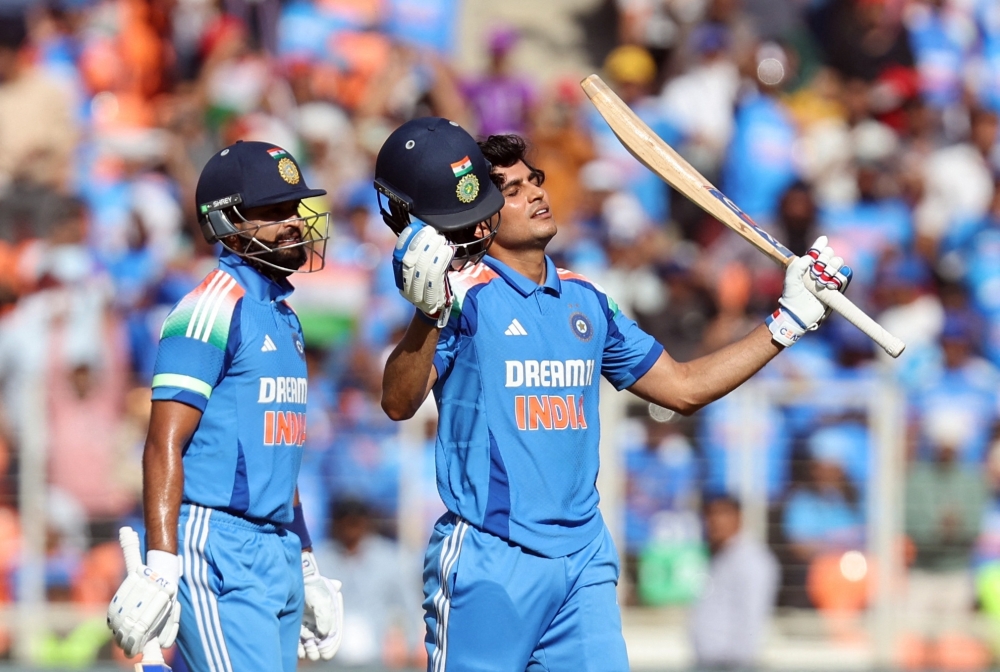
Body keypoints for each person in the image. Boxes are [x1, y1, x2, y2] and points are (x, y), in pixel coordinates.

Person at [376, 117, 853, 671]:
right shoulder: (457, 297)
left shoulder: (587, 299)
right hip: (490, 555)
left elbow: (683, 388)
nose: (535, 193)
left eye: (535, 180)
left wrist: (787, 321)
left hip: (584, 559)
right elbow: (397, 401)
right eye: (512, 190)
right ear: (478, 212)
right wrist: (425, 315)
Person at [106, 140, 344, 671]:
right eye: (273, 212)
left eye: (293, 209)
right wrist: (162, 566)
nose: (293, 224)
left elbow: (278, 451)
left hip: (275, 545)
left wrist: (304, 562)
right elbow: (164, 441)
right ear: (227, 222)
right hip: (215, 543)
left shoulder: (284, 317)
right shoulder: (207, 309)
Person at [689, 495, 779, 669]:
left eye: (723, 514)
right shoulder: (718, 555)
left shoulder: (752, 560)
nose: (715, 521)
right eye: (710, 515)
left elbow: (752, 617)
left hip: (731, 664)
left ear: (739, 517)